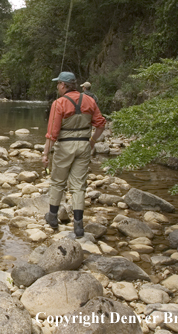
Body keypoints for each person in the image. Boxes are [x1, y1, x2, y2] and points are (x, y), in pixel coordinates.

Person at [42, 72, 106, 237]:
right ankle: (78, 226)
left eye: (58, 84)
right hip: (84, 146)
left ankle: (53, 218)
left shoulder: (59, 103)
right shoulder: (90, 100)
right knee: (78, 186)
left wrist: (45, 154)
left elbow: (52, 133)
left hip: (64, 147)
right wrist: (92, 142)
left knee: (57, 182)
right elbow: (100, 124)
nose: (57, 87)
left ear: (63, 85)